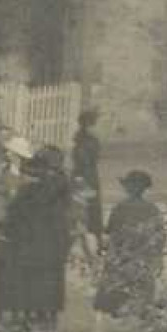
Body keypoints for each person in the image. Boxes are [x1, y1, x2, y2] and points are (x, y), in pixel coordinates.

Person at [0, 146, 73, 332]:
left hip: (39, 239)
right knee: (48, 278)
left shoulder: (40, 189)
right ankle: (44, 316)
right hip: (51, 239)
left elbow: (17, 213)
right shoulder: (58, 183)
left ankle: (39, 316)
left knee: (38, 277)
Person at [92, 170, 165, 332]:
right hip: (142, 262)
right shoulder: (152, 209)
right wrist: (157, 259)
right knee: (142, 303)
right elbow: (159, 239)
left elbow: (109, 237)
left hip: (120, 261)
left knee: (104, 304)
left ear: (128, 188)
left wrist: (101, 251)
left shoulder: (120, 208)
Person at [71, 109, 103, 256]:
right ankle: (94, 241)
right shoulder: (87, 140)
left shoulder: (80, 139)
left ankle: (93, 240)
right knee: (88, 209)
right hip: (86, 176)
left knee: (86, 208)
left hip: (84, 175)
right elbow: (85, 160)